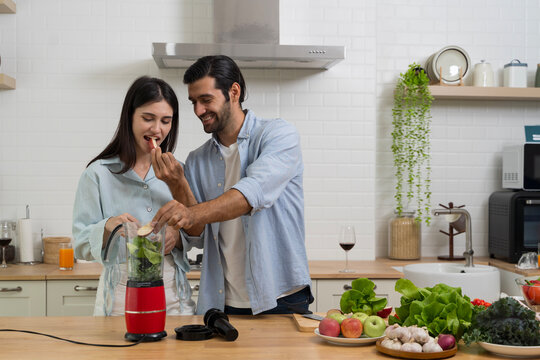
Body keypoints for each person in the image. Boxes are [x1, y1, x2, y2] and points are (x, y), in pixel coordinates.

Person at [151, 55, 313, 315]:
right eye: (194, 102)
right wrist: (178, 183)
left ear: (233, 92)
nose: (198, 111)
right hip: (222, 302)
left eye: (206, 100)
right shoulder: (197, 159)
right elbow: (197, 234)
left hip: (281, 298)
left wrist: (190, 212)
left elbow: (250, 196)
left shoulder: (278, 135)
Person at [72, 76, 195, 316]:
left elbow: (198, 232)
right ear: (130, 116)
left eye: (165, 121)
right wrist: (108, 226)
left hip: (172, 295)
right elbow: (80, 244)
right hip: (120, 297)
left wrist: (177, 237)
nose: (157, 129)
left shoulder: (178, 172)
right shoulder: (98, 174)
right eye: (148, 118)